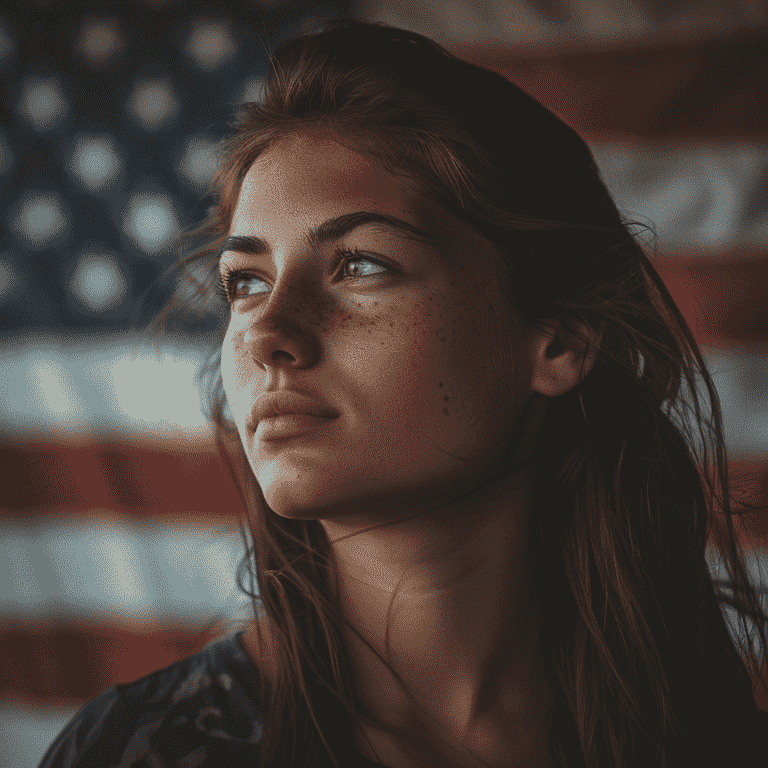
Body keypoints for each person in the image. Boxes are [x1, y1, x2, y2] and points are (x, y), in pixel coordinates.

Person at [37, 17, 767, 768]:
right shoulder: (140, 753)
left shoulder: (708, 741)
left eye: (360, 265)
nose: (265, 333)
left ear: (561, 341)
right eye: (245, 282)